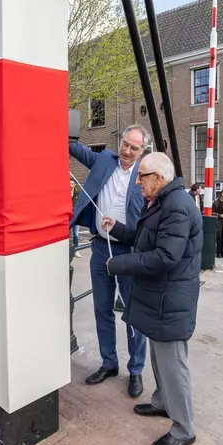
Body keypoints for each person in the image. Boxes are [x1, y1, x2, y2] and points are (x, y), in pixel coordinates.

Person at [103, 152, 202, 445]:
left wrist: (119, 264)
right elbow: (146, 237)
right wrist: (118, 228)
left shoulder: (177, 207)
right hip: (160, 298)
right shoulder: (164, 202)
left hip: (169, 300)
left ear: (158, 179)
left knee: (173, 365)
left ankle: (184, 428)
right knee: (160, 358)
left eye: (142, 175)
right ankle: (162, 402)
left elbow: (165, 256)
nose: (137, 181)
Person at [69, 124, 149, 397]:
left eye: (134, 148)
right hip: (101, 249)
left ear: (142, 151)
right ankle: (109, 362)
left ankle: (136, 370)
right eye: (125, 144)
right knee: (102, 309)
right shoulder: (104, 160)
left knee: (133, 314)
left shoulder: (146, 176)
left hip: (130, 252)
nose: (127, 151)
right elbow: (75, 148)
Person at [70, 179, 82, 257]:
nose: (71, 185)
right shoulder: (65, 193)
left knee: (75, 234)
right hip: (68, 217)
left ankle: (76, 250)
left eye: (72, 184)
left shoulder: (78, 193)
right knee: (67, 234)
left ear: (74, 185)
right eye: (69, 184)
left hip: (76, 216)